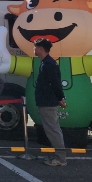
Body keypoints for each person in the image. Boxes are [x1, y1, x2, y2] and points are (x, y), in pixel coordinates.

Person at [33, 38, 68, 167]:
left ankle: (61, 158)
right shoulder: (46, 63)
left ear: (41, 49)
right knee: (52, 129)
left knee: (53, 130)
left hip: (48, 101)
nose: (34, 50)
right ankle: (58, 155)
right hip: (46, 101)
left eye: (35, 47)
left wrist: (60, 98)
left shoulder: (49, 64)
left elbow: (55, 83)